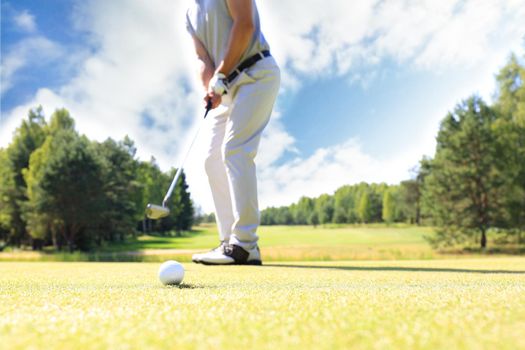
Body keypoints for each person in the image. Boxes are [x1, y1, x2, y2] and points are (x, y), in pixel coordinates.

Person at [186, 0, 280, 265]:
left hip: (256, 73)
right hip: (226, 88)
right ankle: (229, 243)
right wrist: (209, 87)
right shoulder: (190, 13)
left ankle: (245, 245)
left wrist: (221, 73)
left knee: (235, 149)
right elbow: (202, 57)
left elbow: (245, 24)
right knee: (212, 160)